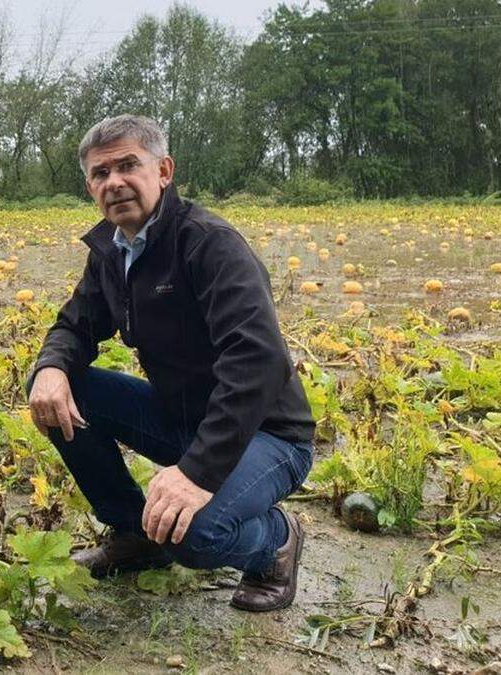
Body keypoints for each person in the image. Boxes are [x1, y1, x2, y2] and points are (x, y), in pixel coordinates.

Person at [26, 114, 316, 612]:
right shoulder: (111, 253)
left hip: (267, 435)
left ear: (163, 171)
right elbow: (74, 325)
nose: (114, 182)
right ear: (90, 187)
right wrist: (49, 368)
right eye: (100, 174)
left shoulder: (207, 243)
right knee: (65, 387)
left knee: (192, 535)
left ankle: (276, 539)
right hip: (181, 419)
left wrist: (196, 473)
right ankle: (133, 534)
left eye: (127, 166)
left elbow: (257, 360)